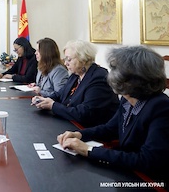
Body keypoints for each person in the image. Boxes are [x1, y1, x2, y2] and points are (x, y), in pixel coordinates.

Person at [57, 46, 169, 183]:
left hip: (149, 180)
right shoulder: (127, 99)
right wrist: (80, 134)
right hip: (126, 171)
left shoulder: (161, 107)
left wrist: (88, 150)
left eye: (116, 70)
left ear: (134, 78)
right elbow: (109, 128)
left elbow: (146, 160)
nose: (111, 75)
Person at [31, 40, 119, 127]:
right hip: (71, 123)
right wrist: (43, 99)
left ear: (83, 59)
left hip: (91, 130)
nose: (65, 63)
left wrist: (53, 106)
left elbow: (84, 114)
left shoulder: (98, 78)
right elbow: (60, 94)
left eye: (69, 59)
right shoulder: (76, 75)